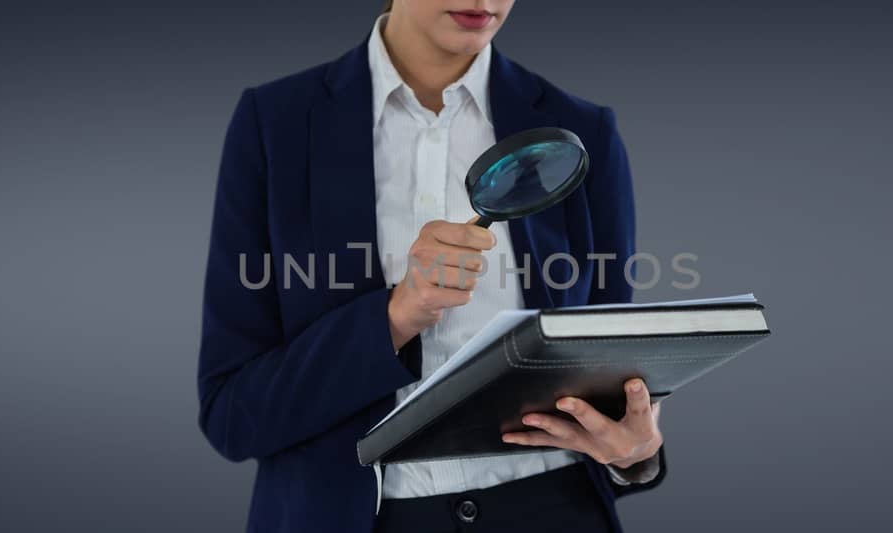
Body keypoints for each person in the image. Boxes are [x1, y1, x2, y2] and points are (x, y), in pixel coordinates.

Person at [198, 1, 664, 531]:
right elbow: (232, 416)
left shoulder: (582, 129)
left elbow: (614, 380)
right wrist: (395, 317)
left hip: (554, 511)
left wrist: (635, 454)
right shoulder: (274, 125)